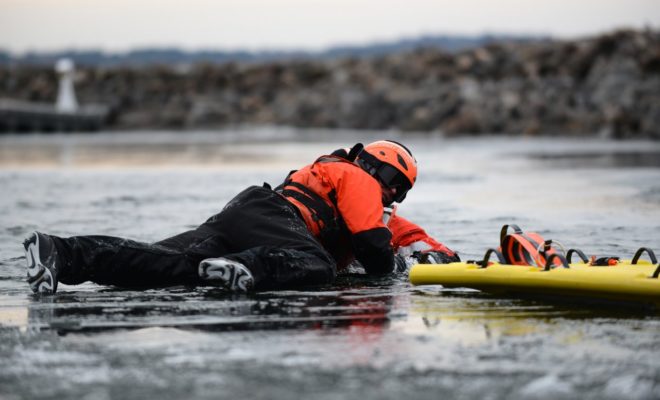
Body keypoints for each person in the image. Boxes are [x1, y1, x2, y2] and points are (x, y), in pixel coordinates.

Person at [24, 140, 459, 294]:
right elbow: (373, 245)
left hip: (245, 213)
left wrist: (445, 258)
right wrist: (388, 270)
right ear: (377, 169)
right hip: (272, 217)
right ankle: (247, 265)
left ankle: (61, 253)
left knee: (165, 265)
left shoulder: (373, 207)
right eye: (393, 182)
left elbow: (417, 241)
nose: (392, 194)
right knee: (318, 265)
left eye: (399, 190)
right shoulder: (356, 177)